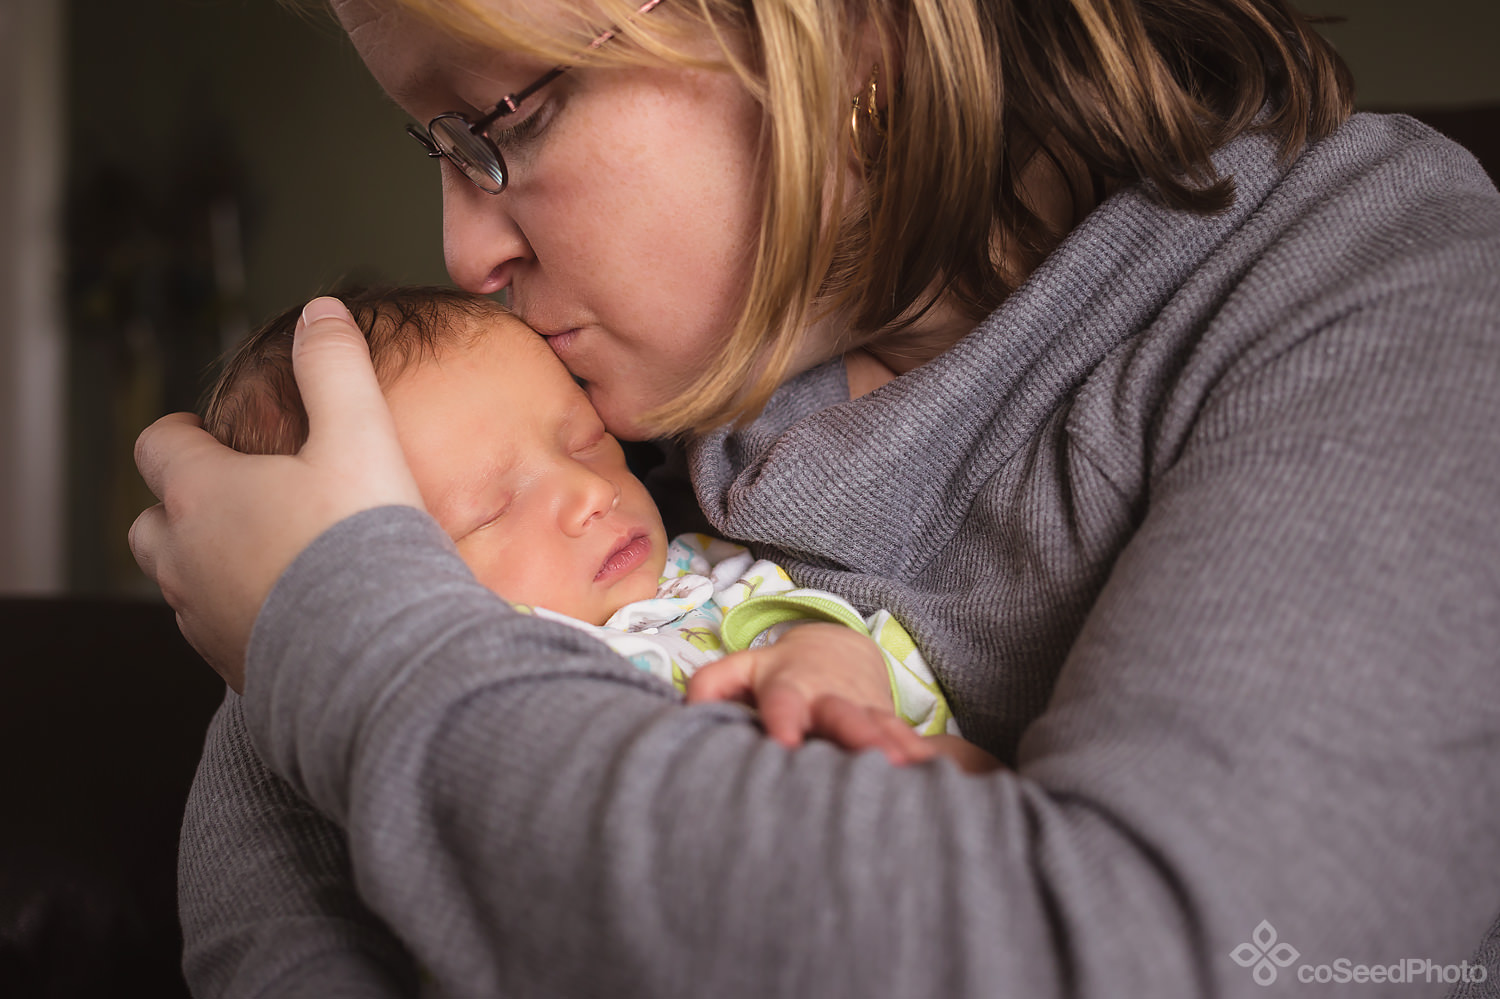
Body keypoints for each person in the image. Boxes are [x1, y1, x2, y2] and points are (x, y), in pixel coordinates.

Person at [133, 0, 1500, 994]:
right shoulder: (633, 408)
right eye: (436, 142)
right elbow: (282, 749)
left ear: (850, 33)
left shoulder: (1364, 283)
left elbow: (1193, 959)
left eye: (511, 117)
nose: (464, 246)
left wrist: (357, 644)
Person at [202, 284, 979, 756]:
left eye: (588, 441)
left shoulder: (697, 573)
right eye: (493, 506)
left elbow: (784, 615)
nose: (589, 490)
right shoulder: (461, 684)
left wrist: (827, 657)